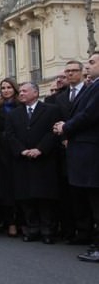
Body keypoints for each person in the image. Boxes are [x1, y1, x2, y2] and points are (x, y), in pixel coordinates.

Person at [53, 52, 99, 262]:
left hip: (91, 151)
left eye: (91, 62)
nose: (88, 67)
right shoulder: (93, 87)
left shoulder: (96, 88)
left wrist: (66, 128)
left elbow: (89, 115)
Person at [6, 82, 60, 244]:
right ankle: (32, 228)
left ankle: (47, 230)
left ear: (35, 93)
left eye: (24, 91)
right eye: (20, 91)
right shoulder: (14, 114)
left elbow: (53, 132)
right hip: (22, 161)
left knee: (44, 198)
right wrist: (21, 150)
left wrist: (40, 149)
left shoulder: (51, 110)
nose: (21, 93)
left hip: (43, 160)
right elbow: (9, 135)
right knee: (26, 197)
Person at [0, 78, 21, 237]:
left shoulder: (21, 105)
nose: (5, 90)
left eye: (9, 87)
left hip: (19, 151)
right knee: (7, 189)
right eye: (3, 88)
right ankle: (10, 222)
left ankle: (22, 221)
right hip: (2, 152)